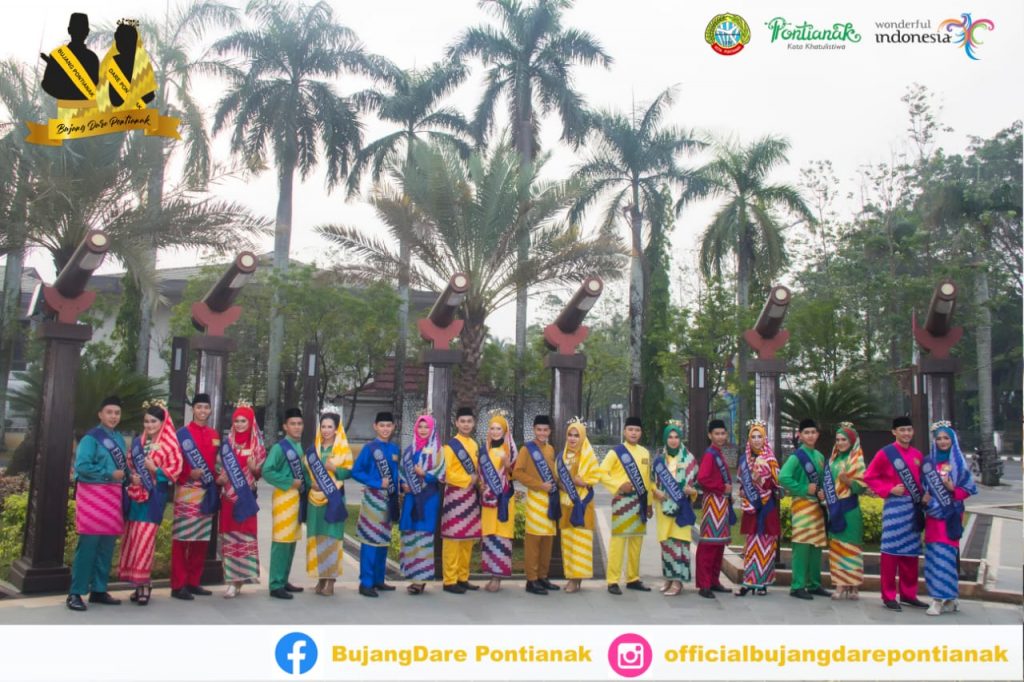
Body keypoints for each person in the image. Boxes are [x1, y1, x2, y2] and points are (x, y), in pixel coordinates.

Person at [67, 395, 128, 612]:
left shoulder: (120, 439)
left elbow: (123, 470)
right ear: (100, 414)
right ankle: (75, 593)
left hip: (113, 498)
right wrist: (109, 474)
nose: (113, 416)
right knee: (88, 546)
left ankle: (99, 590)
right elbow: (82, 467)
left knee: (106, 546)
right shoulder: (90, 439)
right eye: (109, 412)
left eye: (117, 413)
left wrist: (130, 477)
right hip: (92, 499)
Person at [119, 401, 183, 605]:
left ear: (163, 422)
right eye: (146, 421)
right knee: (134, 538)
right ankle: (137, 584)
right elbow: (129, 465)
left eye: (154, 421)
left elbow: (175, 471)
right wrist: (132, 477)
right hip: (135, 496)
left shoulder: (170, 444)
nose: (149, 425)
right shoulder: (138, 442)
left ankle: (145, 584)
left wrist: (155, 470)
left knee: (146, 539)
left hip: (154, 497)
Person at [864, 416, 928, 611]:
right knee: (890, 553)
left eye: (909, 430)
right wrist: (890, 489)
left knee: (911, 554)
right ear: (894, 432)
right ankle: (889, 596)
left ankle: (909, 594)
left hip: (913, 509)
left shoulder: (917, 455)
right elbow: (870, 477)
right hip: (894, 507)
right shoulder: (886, 453)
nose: (906, 433)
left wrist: (926, 495)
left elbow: (923, 480)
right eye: (902, 430)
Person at [922, 421, 977, 616]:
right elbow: (923, 487)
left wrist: (952, 489)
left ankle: (943, 599)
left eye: (946, 438)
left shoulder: (959, 463)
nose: (942, 442)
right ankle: (944, 599)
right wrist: (925, 498)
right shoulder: (928, 463)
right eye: (939, 438)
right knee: (933, 557)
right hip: (933, 517)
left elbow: (969, 489)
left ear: (952, 440)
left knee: (946, 557)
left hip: (950, 516)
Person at [170, 393, 220, 601]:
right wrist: (187, 473)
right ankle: (178, 584)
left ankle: (193, 581)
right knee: (182, 539)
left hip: (207, 491)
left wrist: (220, 475)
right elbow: (173, 461)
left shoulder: (214, 435)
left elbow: (216, 462)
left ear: (210, 410)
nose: (202, 411)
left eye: (206, 408)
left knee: (201, 539)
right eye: (199, 407)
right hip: (187, 489)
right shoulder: (182, 434)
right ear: (193, 409)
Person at [215, 402, 265, 598]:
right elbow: (218, 470)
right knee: (229, 538)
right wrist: (220, 479)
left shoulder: (257, 447)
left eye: (243, 421)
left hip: (246, 498)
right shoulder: (227, 444)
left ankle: (240, 579)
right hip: (228, 499)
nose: (239, 424)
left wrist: (254, 469)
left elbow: (260, 473)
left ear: (251, 422)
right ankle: (231, 580)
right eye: (236, 421)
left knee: (244, 537)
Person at [599, 416, 653, 595]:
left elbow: (647, 480)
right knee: (618, 542)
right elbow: (601, 473)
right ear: (624, 431)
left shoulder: (645, 453)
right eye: (630, 429)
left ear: (641, 433)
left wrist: (649, 504)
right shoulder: (616, 452)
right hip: (622, 500)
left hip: (640, 502)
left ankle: (633, 578)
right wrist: (618, 485)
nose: (633, 433)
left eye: (637, 430)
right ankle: (612, 580)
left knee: (636, 542)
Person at [779, 418, 831, 600]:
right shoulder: (796, 457)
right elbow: (783, 477)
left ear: (818, 435)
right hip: (802, 506)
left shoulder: (820, 457)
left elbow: (823, 481)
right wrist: (803, 489)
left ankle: (814, 584)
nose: (810, 435)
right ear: (800, 436)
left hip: (817, 508)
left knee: (816, 547)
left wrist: (822, 493)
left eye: (813, 432)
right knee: (801, 546)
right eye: (806, 432)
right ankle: (797, 586)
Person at [352, 412, 401, 598]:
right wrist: (375, 482)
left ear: (393, 427)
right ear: (375, 426)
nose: (385, 429)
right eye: (382, 425)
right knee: (370, 541)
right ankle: (366, 583)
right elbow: (356, 472)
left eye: (389, 425)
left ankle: (379, 579)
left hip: (390, 500)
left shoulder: (395, 449)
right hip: (373, 500)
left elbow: (396, 474)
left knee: (383, 541)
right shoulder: (369, 448)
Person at [304, 413, 353, 597]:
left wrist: (336, 469)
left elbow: (349, 472)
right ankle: (321, 578)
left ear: (336, 429)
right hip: (314, 500)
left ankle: (331, 581)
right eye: (323, 426)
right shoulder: (313, 449)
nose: (326, 430)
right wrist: (311, 484)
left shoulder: (342, 449)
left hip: (334, 498)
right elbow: (305, 472)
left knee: (332, 539)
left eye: (330, 427)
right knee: (318, 538)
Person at [262, 407, 309, 599]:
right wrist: (289, 482)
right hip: (283, 498)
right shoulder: (279, 448)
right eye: (293, 424)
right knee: (281, 542)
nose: (297, 427)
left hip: (297, 499)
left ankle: (283, 579)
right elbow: (267, 471)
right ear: (285, 426)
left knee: (291, 542)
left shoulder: (298, 446)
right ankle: (275, 584)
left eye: (299, 424)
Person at [512, 415, 561, 595]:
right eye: (539, 429)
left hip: (551, 500)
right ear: (534, 430)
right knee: (534, 542)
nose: (542, 433)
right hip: (535, 499)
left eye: (545, 430)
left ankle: (543, 576)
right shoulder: (527, 449)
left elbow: (554, 474)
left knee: (547, 540)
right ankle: (531, 580)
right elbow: (517, 473)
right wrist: (539, 485)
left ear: (550, 431)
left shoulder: (550, 449)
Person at [399, 414, 445, 595]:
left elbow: (442, 473)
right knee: (411, 535)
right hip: (411, 497)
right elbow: (402, 471)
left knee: (424, 536)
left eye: (427, 427)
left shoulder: (438, 450)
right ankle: (412, 575)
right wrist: (403, 484)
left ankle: (421, 579)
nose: (423, 430)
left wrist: (424, 474)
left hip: (427, 498)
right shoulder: (409, 450)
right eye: (420, 426)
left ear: (432, 429)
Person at [652, 421, 698, 597]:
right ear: (665, 439)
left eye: (676, 437)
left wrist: (692, 491)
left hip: (681, 508)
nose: (673, 440)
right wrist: (655, 491)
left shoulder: (690, 460)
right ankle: (668, 578)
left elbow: (698, 484)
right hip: (663, 508)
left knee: (679, 544)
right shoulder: (659, 460)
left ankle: (678, 581)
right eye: (670, 437)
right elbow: (651, 481)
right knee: (666, 544)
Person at [735, 419, 780, 597]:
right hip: (751, 508)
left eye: (759, 436)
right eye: (753, 436)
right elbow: (742, 482)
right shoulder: (744, 460)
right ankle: (749, 582)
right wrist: (743, 490)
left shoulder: (770, 458)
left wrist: (760, 479)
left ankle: (762, 584)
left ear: (764, 438)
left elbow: (776, 483)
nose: (756, 440)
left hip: (766, 507)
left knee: (766, 544)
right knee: (751, 544)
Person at [441, 406, 482, 594]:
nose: (466, 425)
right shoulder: (450, 446)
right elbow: (446, 473)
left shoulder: (474, 445)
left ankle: (462, 577)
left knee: (467, 540)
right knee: (453, 539)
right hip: (455, 498)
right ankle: (449, 580)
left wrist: (479, 481)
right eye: (462, 421)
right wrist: (468, 479)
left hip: (471, 498)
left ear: (473, 423)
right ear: (456, 423)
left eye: (469, 421)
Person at [823, 422, 867, 600]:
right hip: (834, 507)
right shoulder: (832, 460)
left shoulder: (857, 460)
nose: (840, 443)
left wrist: (846, 480)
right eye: (838, 439)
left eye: (844, 440)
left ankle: (854, 585)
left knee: (851, 547)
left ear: (852, 441)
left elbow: (861, 487)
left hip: (850, 509)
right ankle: (840, 585)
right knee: (837, 547)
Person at [557, 419, 600, 594]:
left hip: (582, 504)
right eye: (570, 435)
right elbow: (557, 478)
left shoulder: (588, 455)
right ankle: (570, 575)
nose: (573, 438)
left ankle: (577, 578)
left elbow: (596, 476)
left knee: (581, 541)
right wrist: (561, 484)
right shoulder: (562, 456)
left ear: (582, 437)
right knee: (568, 540)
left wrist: (583, 482)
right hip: (565, 504)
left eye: (576, 435)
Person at [695, 419, 736, 599]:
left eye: (723, 433)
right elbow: (702, 479)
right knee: (709, 545)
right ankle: (704, 584)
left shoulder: (718, 453)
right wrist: (721, 488)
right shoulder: (710, 455)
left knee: (718, 545)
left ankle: (714, 581)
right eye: (717, 434)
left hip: (722, 503)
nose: (720, 437)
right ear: (709, 435)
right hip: (713, 503)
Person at [479, 412, 517, 592]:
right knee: (489, 535)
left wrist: (508, 466)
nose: (495, 432)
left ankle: (498, 577)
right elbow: (480, 473)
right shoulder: (484, 450)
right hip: (488, 499)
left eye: (498, 429)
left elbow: (514, 474)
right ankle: (490, 574)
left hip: (503, 499)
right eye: (492, 428)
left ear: (505, 431)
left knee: (501, 536)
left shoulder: (510, 450)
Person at [39, 13, 100, 119]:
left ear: (69, 30)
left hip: (66, 112)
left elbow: (47, 85)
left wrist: (63, 85)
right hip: (84, 115)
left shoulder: (58, 56)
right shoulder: (92, 58)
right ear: (87, 32)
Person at [95, 20, 156, 112]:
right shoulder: (141, 63)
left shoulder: (120, 61)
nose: (118, 44)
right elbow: (149, 95)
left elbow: (149, 94)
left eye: (120, 41)